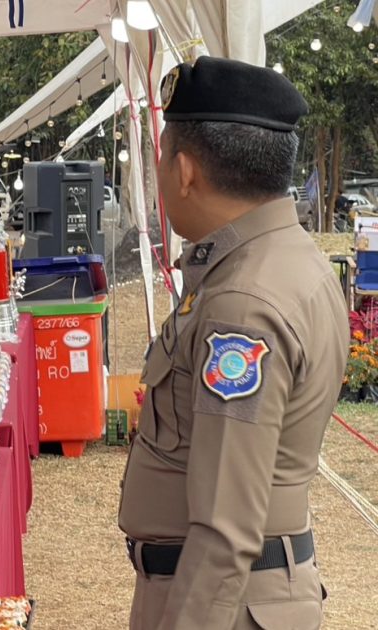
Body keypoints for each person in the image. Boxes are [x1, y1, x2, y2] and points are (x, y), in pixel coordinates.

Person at [119, 57, 347, 630]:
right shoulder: (288, 260)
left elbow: (225, 526)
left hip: (221, 603)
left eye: (162, 159)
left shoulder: (243, 304)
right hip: (245, 594)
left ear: (185, 170)